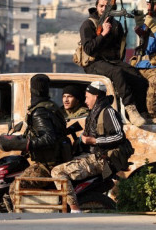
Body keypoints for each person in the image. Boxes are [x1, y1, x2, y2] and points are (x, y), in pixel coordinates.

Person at [50, 81, 133, 213]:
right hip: (92, 155)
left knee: (58, 172)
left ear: (96, 96)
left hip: (101, 159)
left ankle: (74, 209)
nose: (85, 100)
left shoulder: (108, 112)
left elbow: (119, 137)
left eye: (87, 96)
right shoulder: (94, 112)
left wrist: (94, 141)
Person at [0, 74, 71, 208]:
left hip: (48, 164)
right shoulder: (51, 107)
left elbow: (49, 138)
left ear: (32, 90)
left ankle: (24, 222)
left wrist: (27, 144)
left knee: (14, 188)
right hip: (55, 158)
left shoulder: (40, 112)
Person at [80, 0, 148, 126]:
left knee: (139, 78)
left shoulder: (116, 25)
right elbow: (89, 49)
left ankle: (143, 113)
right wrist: (103, 34)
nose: (104, 9)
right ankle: (131, 109)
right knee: (117, 73)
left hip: (112, 61)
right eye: (101, 6)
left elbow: (120, 49)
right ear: (96, 6)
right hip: (94, 62)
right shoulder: (88, 24)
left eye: (107, 6)